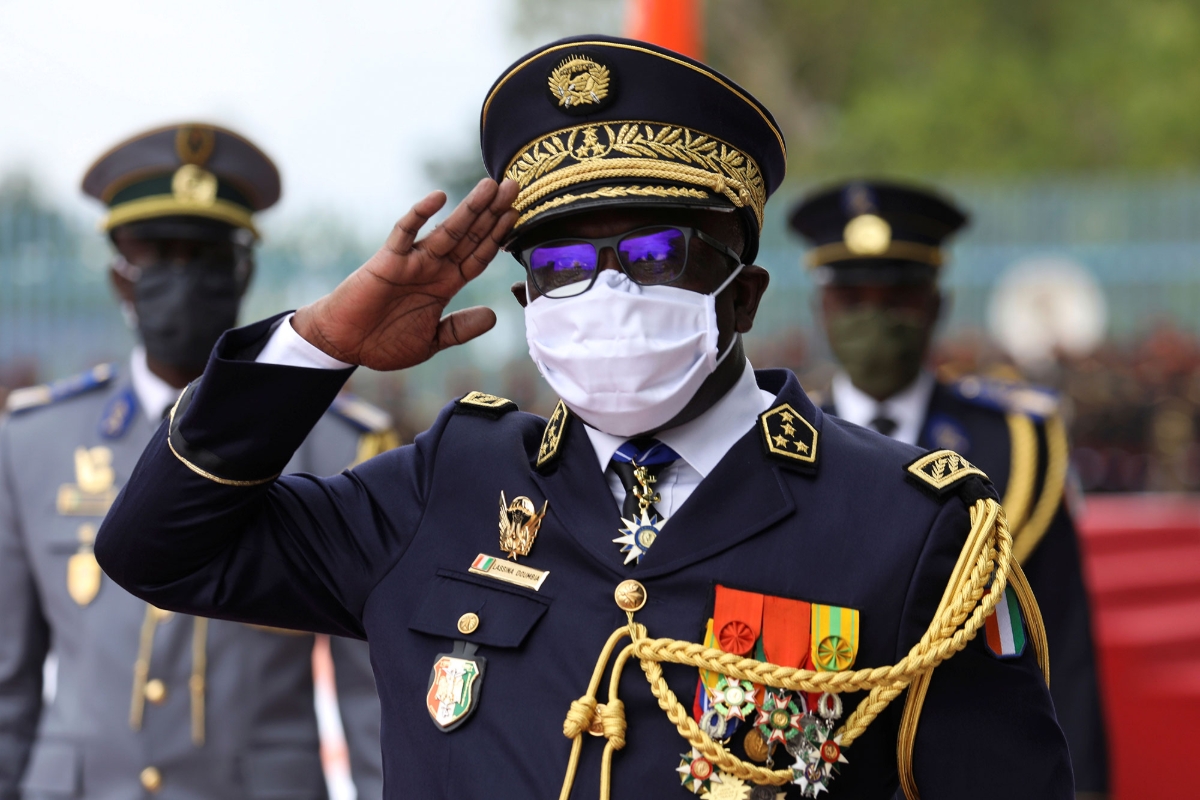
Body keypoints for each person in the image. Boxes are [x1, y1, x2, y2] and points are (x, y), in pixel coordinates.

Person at [94, 39, 1073, 799]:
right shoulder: (448, 485)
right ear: (526, 298)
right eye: (559, 264)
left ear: (742, 294)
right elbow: (159, 549)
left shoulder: (906, 529)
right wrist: (319, 342)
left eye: (652, 253)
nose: (604, 289)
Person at [0, 123, 393, 800]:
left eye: (207, 257)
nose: (181, 278)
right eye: (157, 255)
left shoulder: (341, 447)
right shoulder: (32, 440)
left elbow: (373, 703)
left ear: (242, 272)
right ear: (120, 278)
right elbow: (7, 682)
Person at [789, 179, 1108, 797]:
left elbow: (1061, 643)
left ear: (937, 304)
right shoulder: (782, 444)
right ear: (821, 311)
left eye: (899, 297)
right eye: (853, 298)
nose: (875, 319)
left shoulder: (1015, 443)